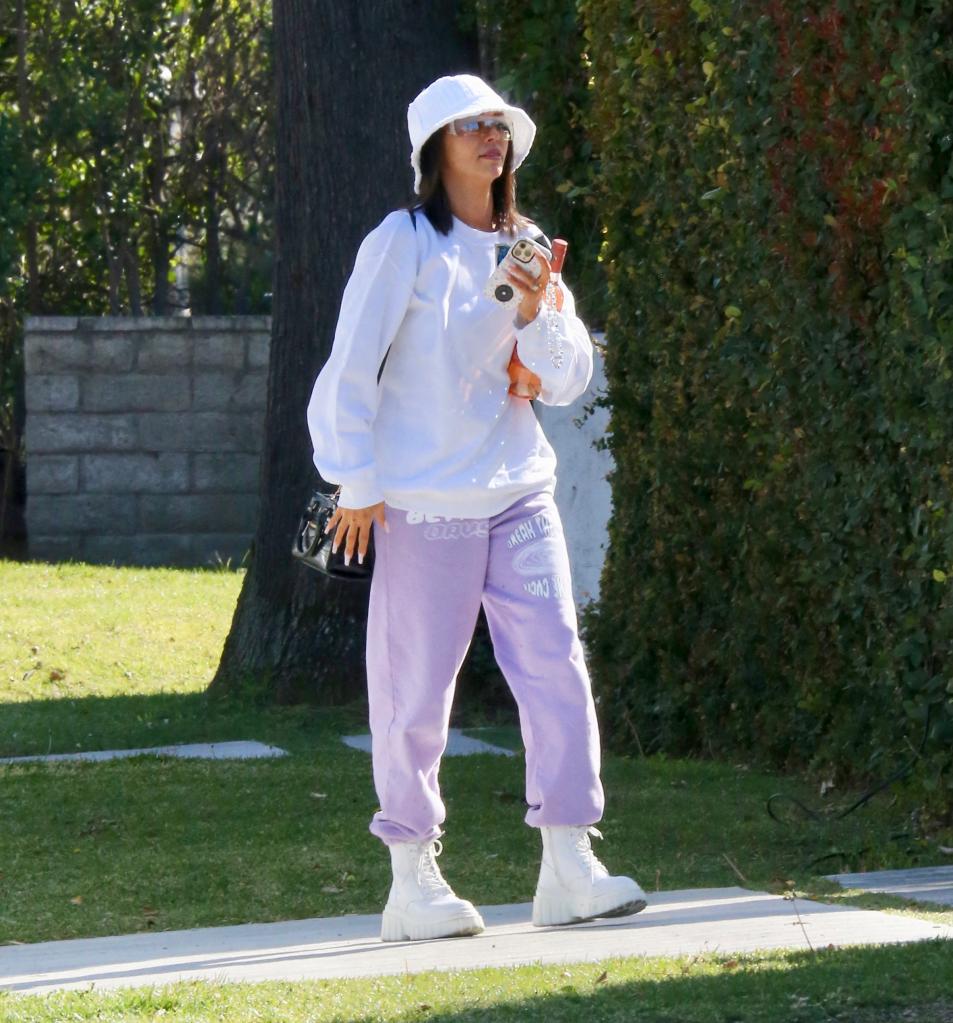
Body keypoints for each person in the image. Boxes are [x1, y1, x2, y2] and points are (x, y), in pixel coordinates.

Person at [306, 73, 647, 943]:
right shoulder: (402, 242)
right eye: (470, 128)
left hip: (520, 491)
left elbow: (565, 379)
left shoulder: (529, 245)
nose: (490, 138)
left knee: (558, 670)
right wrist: (356, 478)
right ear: (436, 147)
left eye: (497, 125)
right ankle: (411, 879)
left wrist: (539, 312)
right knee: (415, 692)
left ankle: (569, 863)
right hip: (423, 505)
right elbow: (349, 364)